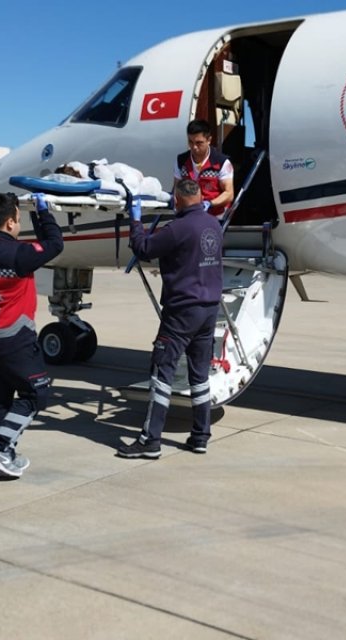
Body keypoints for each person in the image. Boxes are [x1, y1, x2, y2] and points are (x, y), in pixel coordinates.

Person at [117, 179, 223, 459]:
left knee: (162, 373)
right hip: (209, 308)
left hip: (182, 311)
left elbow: (143, 249)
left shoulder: (178, 229)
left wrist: (136, 220)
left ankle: (150, 440)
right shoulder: (213, 224)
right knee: (199, 377)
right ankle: (201, 436)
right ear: (200, 197)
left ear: (177, 199)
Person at [0, 192, 63, 477]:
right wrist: (42, 212)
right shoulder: (17, 254)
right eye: (19, 218)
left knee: (1, 397)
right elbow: (54, 244)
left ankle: (4, 458)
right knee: (36, 393)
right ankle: (1, 446)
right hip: (16, 336)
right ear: (11, 221)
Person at [174, 119, 234, 217]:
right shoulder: (181, 161)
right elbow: (177, 188)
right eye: (190, 142)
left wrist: (209, 204)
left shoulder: (222, 163)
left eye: (199, 143)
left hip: (215, 215)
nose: (194, 147)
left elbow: (229, 194)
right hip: (189, 214)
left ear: (209, 140)